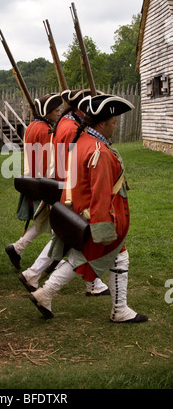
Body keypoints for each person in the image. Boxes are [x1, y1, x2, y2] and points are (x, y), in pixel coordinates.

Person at [29, 93, 148, 324]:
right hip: (97, 218)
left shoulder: (82, 140)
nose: (115, 126)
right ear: (102, 124)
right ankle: (118, 310)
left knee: (85, 257)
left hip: (82, 213)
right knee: (102, 258)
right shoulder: (99, 151)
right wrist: (103, 230)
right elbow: (101, 193)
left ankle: (46, 293)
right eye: (113, 122)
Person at [18, 89, 109, 296]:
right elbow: (73, 160)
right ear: (81, 108)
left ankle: (34, 273)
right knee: (75, 235)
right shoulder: (70, 127)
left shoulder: (68, 123)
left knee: (67, 236)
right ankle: (89, 283)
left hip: (67, 184)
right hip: (71, 186)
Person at [5, 93, 63, 270]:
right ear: (47, 113)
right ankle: (49, 262)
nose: (59, 113)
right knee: (56, 225)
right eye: (56, 110)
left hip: (32, 179)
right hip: (41, 182)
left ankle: (17, 248)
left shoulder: (32, 126)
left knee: (43, 220)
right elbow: (49, 159)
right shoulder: (45, 130)